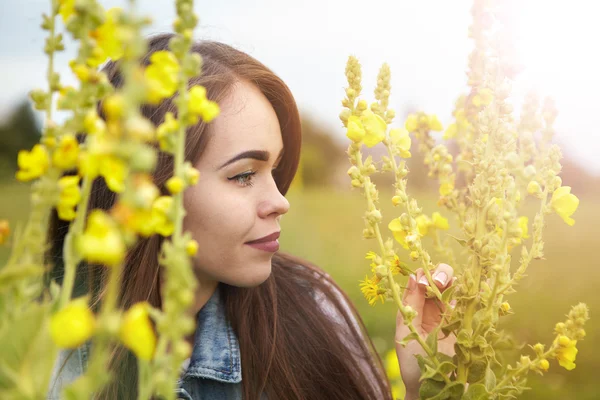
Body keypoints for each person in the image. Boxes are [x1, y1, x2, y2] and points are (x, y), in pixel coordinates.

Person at [47, 33, 455, 400]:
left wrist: (429, 386)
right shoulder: (77, 365)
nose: (280, 201)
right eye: (243, 175)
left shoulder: (313, 308)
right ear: (146, 191)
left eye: (275, 171)